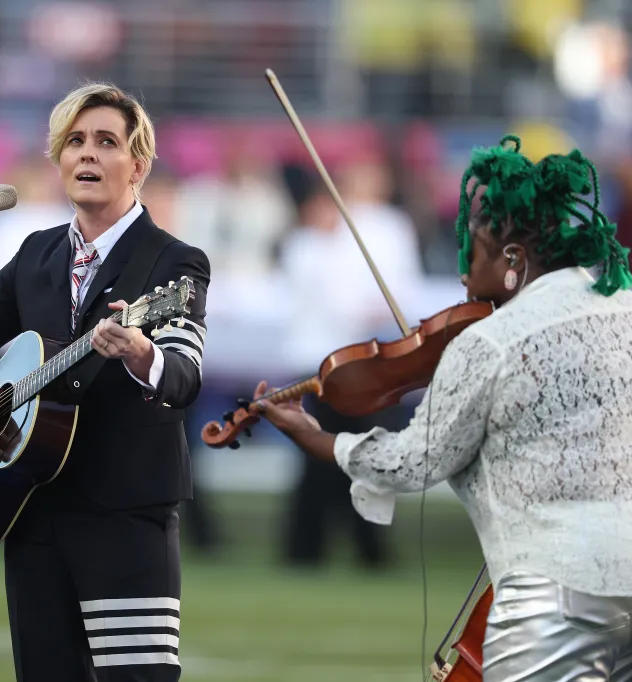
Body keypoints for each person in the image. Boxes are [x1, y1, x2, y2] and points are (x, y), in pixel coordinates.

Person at [254, 135, 632, 681]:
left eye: (470, 253)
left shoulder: (491, 341)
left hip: (555, 588)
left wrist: (320, 439)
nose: (461, 274)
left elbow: (414, 461)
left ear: (513, 258)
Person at [0, 82, 210, 681]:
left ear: (139, 165)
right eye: (75, 141)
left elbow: (183, 377)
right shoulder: (36, 255)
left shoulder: (175, 263)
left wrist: (138, 351)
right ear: (57, 160)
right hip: (33, 511)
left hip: (127, 514)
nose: (88, 155)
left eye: (107, 142)